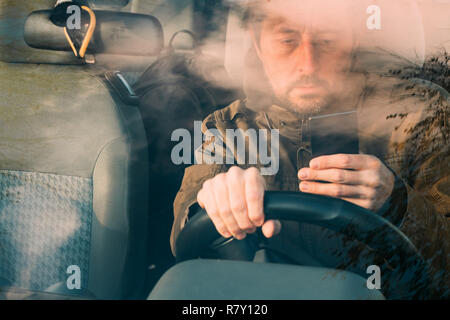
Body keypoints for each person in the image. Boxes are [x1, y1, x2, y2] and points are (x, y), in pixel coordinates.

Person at [170, 0, 450, 298]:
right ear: (258, 41)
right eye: (287, 40)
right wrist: (214, 204)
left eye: (327, 40)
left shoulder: (423, 115)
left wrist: (397, 201)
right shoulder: (227, 129)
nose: (308, 64)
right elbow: (183, 235)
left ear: (354, 39)